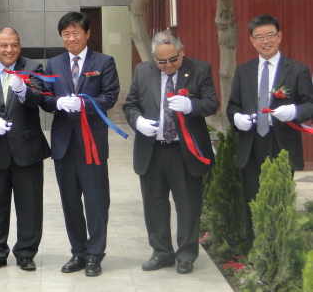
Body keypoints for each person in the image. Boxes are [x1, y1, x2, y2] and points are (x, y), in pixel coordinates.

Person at [123, 30, 217, 275]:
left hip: (185, 151)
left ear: (181, 50)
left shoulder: (200, 69)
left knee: (187, 204)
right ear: (154, 58)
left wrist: (191, 106)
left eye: (173, 59)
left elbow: (211, 103)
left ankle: (186, 254)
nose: (167, 66)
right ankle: (161, 252)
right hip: (152, 149)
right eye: (161, 61)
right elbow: (130, 104)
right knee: (154, 204)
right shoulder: (143, 71)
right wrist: (138, 122)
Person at [40, 11, 119, 277]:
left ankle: (95, 254)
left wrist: (87, 103)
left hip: (92, 141)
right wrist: (58, 103)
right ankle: (78, 252)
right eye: (66, 34)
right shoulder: (53, 64)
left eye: (76, 33)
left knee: (96, 200)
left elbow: (110, 95)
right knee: (70, 201)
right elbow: (45, 97)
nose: (71, 38)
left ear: (87, 34)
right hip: (64, 143)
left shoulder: (104, 61)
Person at [227, 14, 313, 246]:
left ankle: (279, 250)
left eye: (270, 35)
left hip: (281, 143)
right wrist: (237, 117)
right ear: (252, 41)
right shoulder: (244, 71)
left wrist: (293, 111)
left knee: (279, 200)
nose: (266, 41)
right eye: (259, 37)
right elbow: (232, 105)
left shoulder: (297, 70)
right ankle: (255, 251)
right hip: (251, 142)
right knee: (251, 200)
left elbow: (309, 105)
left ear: (279, 36)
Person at [0, 28, 51, 272]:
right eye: (4, 45)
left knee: (30, 204)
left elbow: (38, 98)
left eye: (14, 45)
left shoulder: (33, 68)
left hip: (27, 148)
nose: (9, 50)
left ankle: (26, 252)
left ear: (20, 46)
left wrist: (22, 89)